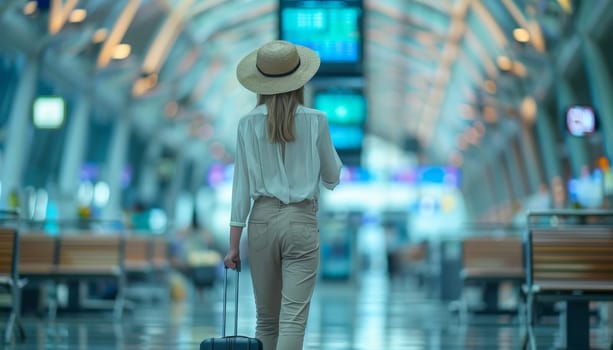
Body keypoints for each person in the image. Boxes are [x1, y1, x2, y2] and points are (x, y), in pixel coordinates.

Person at [223, 40, 342, 350]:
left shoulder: (247, 123)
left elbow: (241, 189)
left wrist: (233, 247)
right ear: (299, 78)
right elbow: (332, 176)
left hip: (260, 223)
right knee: (292, 320)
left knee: (265, 319)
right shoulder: (316, 120)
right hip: (301, 222)